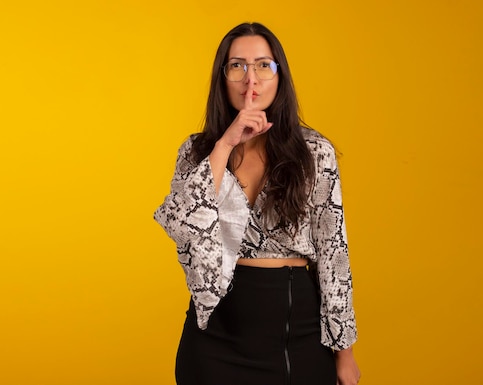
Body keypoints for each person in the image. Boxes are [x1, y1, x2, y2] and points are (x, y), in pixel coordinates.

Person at [154, 22, 360, 385]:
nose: (252, 78)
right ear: (223, 77)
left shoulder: (313, 152)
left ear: (280, 76)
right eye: (238, 66)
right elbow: (179, 224)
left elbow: (333, 254)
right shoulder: (196, 152)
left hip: (294, 333)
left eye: (264, 65)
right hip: (214, 333)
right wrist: (225, 144)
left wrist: (345, 353)